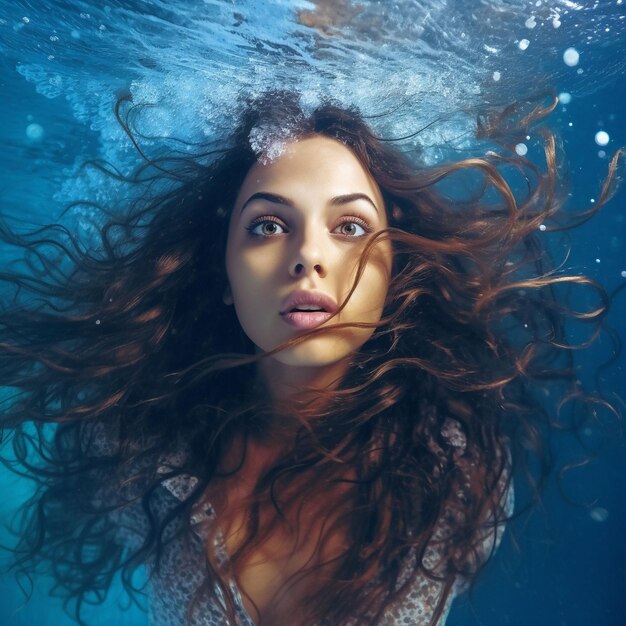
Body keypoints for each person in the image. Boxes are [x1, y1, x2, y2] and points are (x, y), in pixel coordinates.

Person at [0, 91, 619, 626]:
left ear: (396, 269)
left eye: (349, 226)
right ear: (221, 271)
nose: (308, 258)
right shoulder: (127, 445)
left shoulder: (459, 474)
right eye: (268, 226)